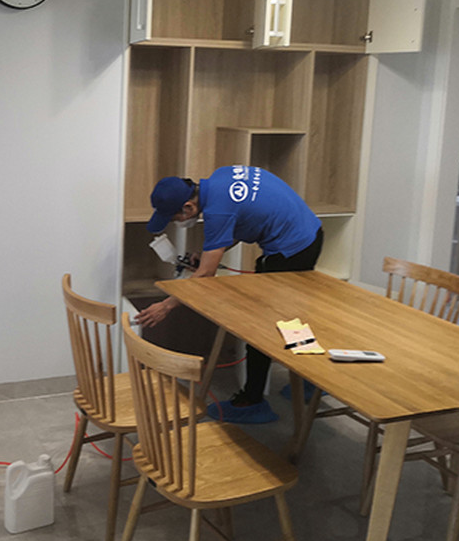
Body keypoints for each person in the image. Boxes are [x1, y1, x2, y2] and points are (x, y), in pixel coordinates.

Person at [135, 166, 324, 424]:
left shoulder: (217, 211)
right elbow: (237, 221)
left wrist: (166, 306)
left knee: (264, 325)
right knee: (291, 316)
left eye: (174, 218)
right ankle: (310, 382)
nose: (176, 222)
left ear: (189, 207)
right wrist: (208, 255)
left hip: (293, 249)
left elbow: (205, 275)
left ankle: (253, 401)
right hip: (308, 233)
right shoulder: (220, 179)